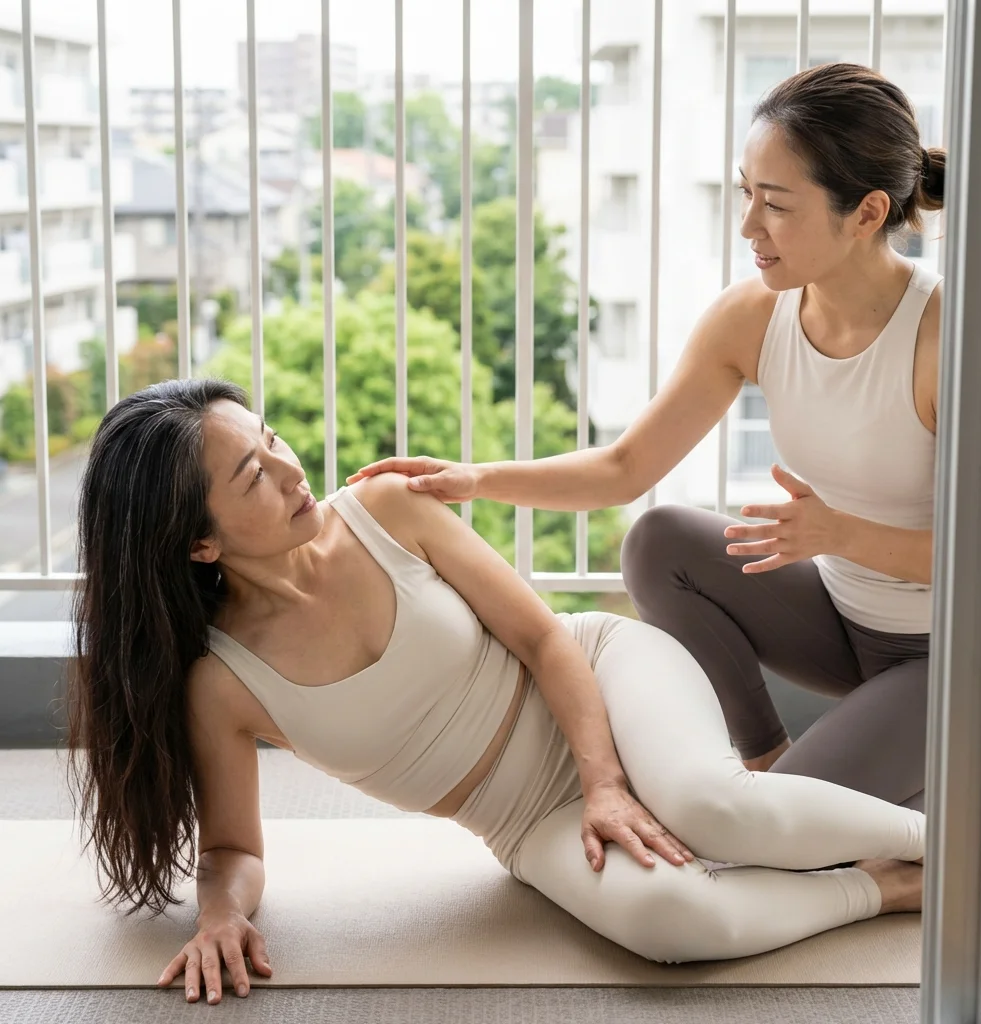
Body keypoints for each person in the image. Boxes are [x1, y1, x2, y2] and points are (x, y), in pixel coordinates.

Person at [66, 378, 923, 1006]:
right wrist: (218, 916)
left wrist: (606, 783)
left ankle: (960, 849)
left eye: (274, 441)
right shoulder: (223, 683)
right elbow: (234, 853)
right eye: (252, 477)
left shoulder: (386, 508)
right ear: (199, 546)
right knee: (671, 926)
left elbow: (544, 635)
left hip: (600, 676)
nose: (292, 473)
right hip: (523, 822)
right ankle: (889, 886)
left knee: (712, 808)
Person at [351, 62, 944, 815]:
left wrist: (840, 533)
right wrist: (475, 478)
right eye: (746, 194)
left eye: (777, 205)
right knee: (660, 541)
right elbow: (625, 468)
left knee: (772, 844)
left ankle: (902, 842)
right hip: (838, 620)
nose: (748, 227)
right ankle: (765, 760)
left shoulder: (943, 338)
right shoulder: (753, 318)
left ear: (866, 213)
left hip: (946, 653)